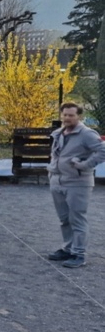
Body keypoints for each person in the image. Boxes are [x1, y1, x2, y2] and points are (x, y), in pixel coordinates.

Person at [46, 102, 105, 268]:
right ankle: (68, 248)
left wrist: (85, 165)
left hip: (78, 182)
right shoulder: (58, 133)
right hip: (57, 180)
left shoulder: (87, 134)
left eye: (71, 115)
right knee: (64, 219)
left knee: (77, 218)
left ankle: (79, 254)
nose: (67, 118)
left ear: (78, 116)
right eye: (65, 115)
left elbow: (103, 150)